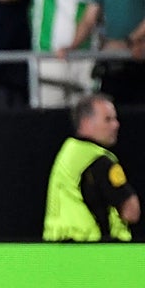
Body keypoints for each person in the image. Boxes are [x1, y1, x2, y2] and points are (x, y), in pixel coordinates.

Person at [43, 93, 139, 242]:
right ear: (86, 122)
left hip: (56, 246)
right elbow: (131, 212)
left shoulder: (67, 154)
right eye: (108, 119)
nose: (116, 125)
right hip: (94, 249)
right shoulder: (100, 161)